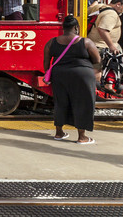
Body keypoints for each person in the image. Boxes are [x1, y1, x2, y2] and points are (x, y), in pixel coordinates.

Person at [43, 16, 101, 144]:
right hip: (82, 75)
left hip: (60, 75)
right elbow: (97, 60)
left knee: (60, 102)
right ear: (76, 28)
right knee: (83, 103)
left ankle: (59, 133)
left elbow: (46, 62)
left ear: (63, 28)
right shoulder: (85, 42)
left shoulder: (52, 42)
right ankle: (82, 137)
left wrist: (48, 74)